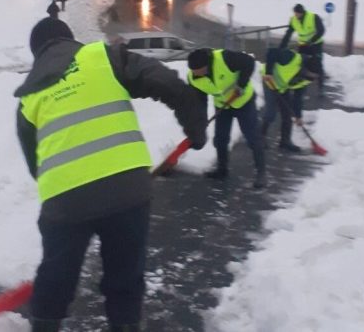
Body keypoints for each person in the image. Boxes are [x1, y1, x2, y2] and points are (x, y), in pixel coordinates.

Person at [14, 18, 207, 332]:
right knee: (125, 279)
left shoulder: (28, 97)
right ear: (69, 39)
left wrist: (67, 192)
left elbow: (36, 164)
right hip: (127, 191)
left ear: (37, 54)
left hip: (65, 202)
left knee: (55, 278)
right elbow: (168, 83)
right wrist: (195, 129)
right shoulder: (103, 56)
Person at [187, 48, 267, 189]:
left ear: (206, 66)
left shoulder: (224, 58)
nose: (195, 74)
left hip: (244, 102)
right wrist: (201, 120)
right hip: (223, 105)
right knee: (220, 139)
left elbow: (249, 62)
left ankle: (261, 173)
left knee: (252, 137)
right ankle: (222, 170)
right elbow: (200, 101)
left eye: (198, 70)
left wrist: (240, 85)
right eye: (193, 71)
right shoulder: (193, 79)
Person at [261, 48, 316, 152]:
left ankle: (285, 142)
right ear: (306, 68)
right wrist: (268, 72)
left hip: (282, 87)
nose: (313, 77)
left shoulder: (306, 78)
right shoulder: (290, 58)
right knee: (271, 112)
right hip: (269, 81)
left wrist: (298, 116)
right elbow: (271, 52)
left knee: (287, 113)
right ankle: (260, 137)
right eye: (312, 74)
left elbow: (298, 97)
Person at [279, 3, 326, 96]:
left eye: (297, 14)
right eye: (295, 13)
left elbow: (321, 30)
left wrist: (312, 41)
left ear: (302, 12)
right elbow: (288, 34)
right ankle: (301, 89)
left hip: (316, 44)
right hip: (303, 45)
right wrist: (281, 47)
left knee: (317, 64)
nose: (295, 16)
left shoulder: (313, 17)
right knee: (300, 65)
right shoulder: (293, 20)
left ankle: (321, 87)